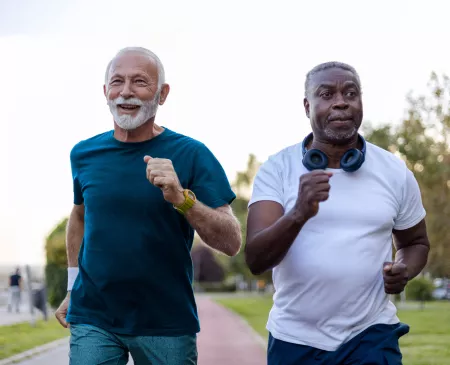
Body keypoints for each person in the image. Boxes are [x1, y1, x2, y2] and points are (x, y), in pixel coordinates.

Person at [55, 47, 242, 365]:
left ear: (162, 93)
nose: (126, 91)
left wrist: (182, 199)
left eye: (139, 81)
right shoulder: (83, 154)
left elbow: (232, 241)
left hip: (165, 322)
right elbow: (80, 215)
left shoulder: (193, 154)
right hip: (94, 316)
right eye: (117, 81)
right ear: (105, 91)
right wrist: (73, 287)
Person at [245, 61, 430, 365]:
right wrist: (298, 214)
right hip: (295, 339)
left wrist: (404, 269)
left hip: (371, 335)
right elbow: (255, 259)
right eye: (327, 94)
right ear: (308, 106)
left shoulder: (394, 170)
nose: (341, 101)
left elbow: (416, 243)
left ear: (361, 102)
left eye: (351, 93)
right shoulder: (277, 169)